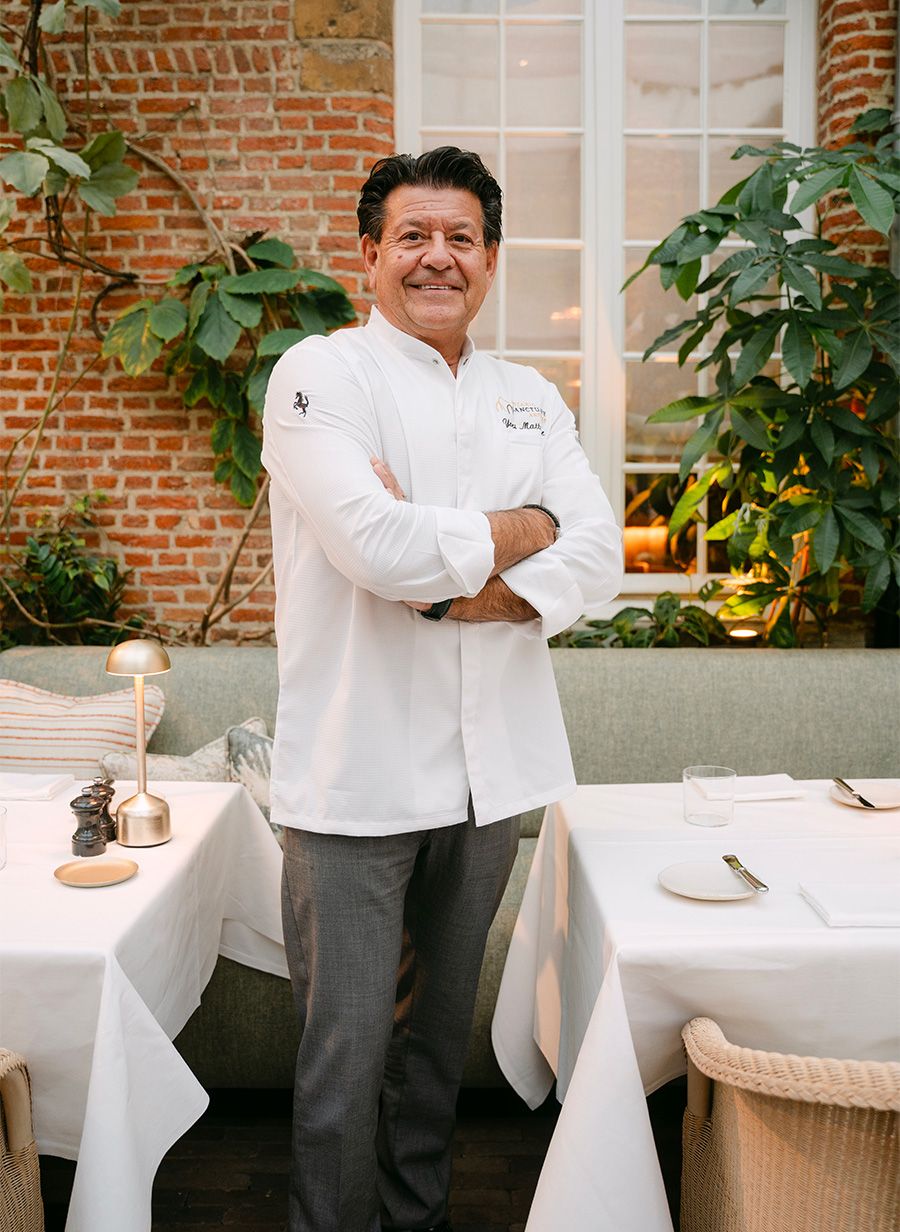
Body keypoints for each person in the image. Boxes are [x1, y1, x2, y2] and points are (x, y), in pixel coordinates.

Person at [261, 146, 623, 1232]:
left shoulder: (529, 396)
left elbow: (598, 555)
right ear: (369, 256)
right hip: (354, 774)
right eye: (412, 236)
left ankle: (415, 1220)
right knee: (344, 1053)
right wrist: (530, 528)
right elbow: (375, 547)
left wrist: (446, 580)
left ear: (491, 260)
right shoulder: (320, 377)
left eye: (461, 237)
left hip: (490, 776)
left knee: (433, 1051)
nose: (437, 257)